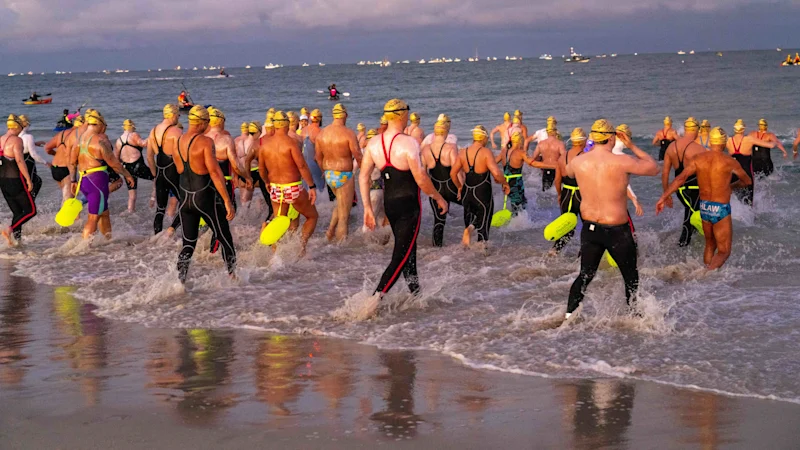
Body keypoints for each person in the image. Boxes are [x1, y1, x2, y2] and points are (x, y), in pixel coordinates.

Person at [563, 119, 659, 322]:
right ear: (612, 137)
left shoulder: (579, 161)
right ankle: (634, 317)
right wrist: (632, 145)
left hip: (590, 229)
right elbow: (653, 168)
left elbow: (568, 172)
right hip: (616, 230)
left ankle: (568, 317)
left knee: (585, 275)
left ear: (593, 138)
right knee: (630, 276)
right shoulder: (621, 161)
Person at [359, 99, 447, 303]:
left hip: (391, 205)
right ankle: (372, 302)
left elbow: (363, 177)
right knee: (400, 256)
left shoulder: (374, 144)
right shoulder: (409, 143)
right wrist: (439, 197)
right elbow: (421, 179)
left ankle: (416, 295)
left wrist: (368, 209)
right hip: (409, 205)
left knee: (409, 251)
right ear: (400, 115)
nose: (409, 114)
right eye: (407, 111)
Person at [657, 127, 752, 270]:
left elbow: (680, 179)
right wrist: (731, 187)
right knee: (724, 251)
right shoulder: (730, 162)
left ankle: (707, 280)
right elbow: (747, 181)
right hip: (720, 208)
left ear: (711, 142)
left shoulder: (698, 159)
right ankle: (706, 275)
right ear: (724, 142)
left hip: (705, 207)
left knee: (710, 244)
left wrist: (664, 197)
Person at [172, 106, 236, 283]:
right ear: (200, 122)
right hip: (204, 198)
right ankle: (233, 277)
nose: (208, 126)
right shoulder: (206, 142)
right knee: (224, 237)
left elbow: (179, 169)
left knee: (188, 244)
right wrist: (227, 201)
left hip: (185, 200)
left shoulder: (177, 142)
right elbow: (215, 173)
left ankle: (179, 283)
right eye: (207, 122)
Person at [257, 111, 319, 255]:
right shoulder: (291, 143)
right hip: (292, 187)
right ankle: (301, 247)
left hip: (275, 188)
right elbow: (302, 166)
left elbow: (261, 169)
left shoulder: (265, 145)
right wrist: (311, 186)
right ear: (286, 125)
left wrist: (267, 182)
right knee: (312, 216)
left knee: (280, 220)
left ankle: (275, 252)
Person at [68, 110, 134, 239]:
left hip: (84, 180)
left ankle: (108, 241)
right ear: (98, 124)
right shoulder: (99, 142)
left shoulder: (78, 141)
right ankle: (83, 248)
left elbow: (72, 163)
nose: (104, 129)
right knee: (93, 217)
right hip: (97, 181)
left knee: (104, 213)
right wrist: (127, 175)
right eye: (104, 126)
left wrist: (73, 180)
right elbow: (114, 163)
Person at [450, 125, 510, 248]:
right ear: (483, 138)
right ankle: (483, 257)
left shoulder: (463, 152)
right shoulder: (485, 152)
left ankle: (469, 234)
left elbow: (452, 173)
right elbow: (497, 173)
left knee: (471, 219)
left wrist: (460, 187)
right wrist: (504, 183)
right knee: (483, 226)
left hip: (467, 191)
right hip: (482, 192)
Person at [316, 104, 362, 242]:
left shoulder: (322, 134)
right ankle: (340, 247)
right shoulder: (349, 133)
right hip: (344, 175)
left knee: (339, 204)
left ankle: (329, 232)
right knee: (344, 216)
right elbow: (358, 156)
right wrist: (364, 173)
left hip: (329, 174)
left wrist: (324, 171)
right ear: (345, 115)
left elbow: (318, 157)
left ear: (333, 115)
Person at [661, 117, 707, 247]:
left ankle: (690, 246)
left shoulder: (671, 147)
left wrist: (667, 193)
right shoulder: (698, 149)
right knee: (692, 217)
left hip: (679, 190)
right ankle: (684, 246)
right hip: (695, 188)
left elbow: (665, 173)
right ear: (697, 130)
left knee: (691, 213)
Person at [422, 114, 462, 246]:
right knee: (472, 207)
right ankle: (470, 240)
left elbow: (423, 173)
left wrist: (431, 192)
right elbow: (456, 172)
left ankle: (436, 250)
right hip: (451, 187)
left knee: (439, 221)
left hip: (436, 189)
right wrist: (461, 187)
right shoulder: (450, 148)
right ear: (446, 132)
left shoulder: (426, 149)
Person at [499, 129, 555, 215]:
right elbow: (533, 164)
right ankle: (517, 225)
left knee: (519, 202)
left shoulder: (504, 152)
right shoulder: (521, 153)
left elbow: (493, 162)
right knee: (518, 206)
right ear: (520, 141)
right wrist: (552, 166)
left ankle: (517, 222)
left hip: (506, 181)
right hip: (516, 183)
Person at [206, 107, 251, 212]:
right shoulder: (226, 139)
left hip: (204, 181)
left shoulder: (202, 138)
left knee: (209, 209)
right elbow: (235, 164)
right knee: (229, 210)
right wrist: (247, 177)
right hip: (223, 181)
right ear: (221, 122)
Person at [147, 104, 183, 235]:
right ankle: (171, 230)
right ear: (173, 115)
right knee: (185, 204)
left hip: (160, 172)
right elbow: (181, 155)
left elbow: (150, 157)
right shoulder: (176, 132)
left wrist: (155, 174)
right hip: (173, 172)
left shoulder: (153, 131)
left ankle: (157, 237)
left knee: (160, 209)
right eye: (178, 115)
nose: (178, 118)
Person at [0, 115, 36, 246]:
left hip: (3, 182)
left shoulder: (0, 139)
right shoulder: (17, 141)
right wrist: (28, 180)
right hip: (16, 180)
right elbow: (20, 161)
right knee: (31, 211)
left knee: (17, 212)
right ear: (17, 126)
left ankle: (17, 241)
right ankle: (9, 230)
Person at [551, 128, 588, 254]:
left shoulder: (562, 157)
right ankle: (582, 256)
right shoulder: (585, 157)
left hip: (566, 193)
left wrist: (559, 194)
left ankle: (555, 251)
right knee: (587, 227)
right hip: (581, 195)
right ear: (584, 141)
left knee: (567, 227)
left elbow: (557, 179)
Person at [726, 119, 776, 206]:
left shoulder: (728, 140)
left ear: (734, 129)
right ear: (743, 129)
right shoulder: (749, 139)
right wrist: (775, 141)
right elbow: (771, 145)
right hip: (746, 173)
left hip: (733, 173)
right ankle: (750, 217)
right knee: (748, 200)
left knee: (734, 196)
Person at [115, 119, 154, 212]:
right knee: (156, 178)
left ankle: (130, 211)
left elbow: (116, 159)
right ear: (132, 127)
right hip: (138, 166)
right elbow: (144, 144)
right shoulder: (134, 135)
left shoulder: (118, 141)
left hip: (127, 169)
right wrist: (152, 135)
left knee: (132, 195)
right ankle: (153, 199)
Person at [45, 115, 83, 202]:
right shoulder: (78, 136)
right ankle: (64, 215)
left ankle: (71, 215)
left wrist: (56, 155)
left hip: (55, 168)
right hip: (66, 170)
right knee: (69, 200)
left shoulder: (62, 133)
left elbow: (47, 148)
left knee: (68, 197)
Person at [531, 121, 565, 191]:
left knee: (546, 192)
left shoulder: (541, 144)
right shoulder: (560, 144)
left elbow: (534, 157)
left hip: (545, 169)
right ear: (555, 131)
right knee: (558, 190)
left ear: (547, 132)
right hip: (557, 169)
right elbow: (565, 158)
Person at [17, 115, 46, 199]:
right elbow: (33, 154)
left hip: (17, 163)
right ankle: (30, 202)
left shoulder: (15, 137)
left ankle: (24, 204)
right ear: (26, 125)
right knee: (36, 182)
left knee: (22, 184)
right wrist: (45, 162)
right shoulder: (28, 137)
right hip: (27, 162)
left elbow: (21, 146)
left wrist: (35, 143)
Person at [301, 109, 326, 197]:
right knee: (320, 190)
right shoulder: (320, 132)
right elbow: (319, 154)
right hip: (315, 164)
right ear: (320, 119)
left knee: (305, 190)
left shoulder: (303, 130)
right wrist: (323, 170)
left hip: (303, 165)